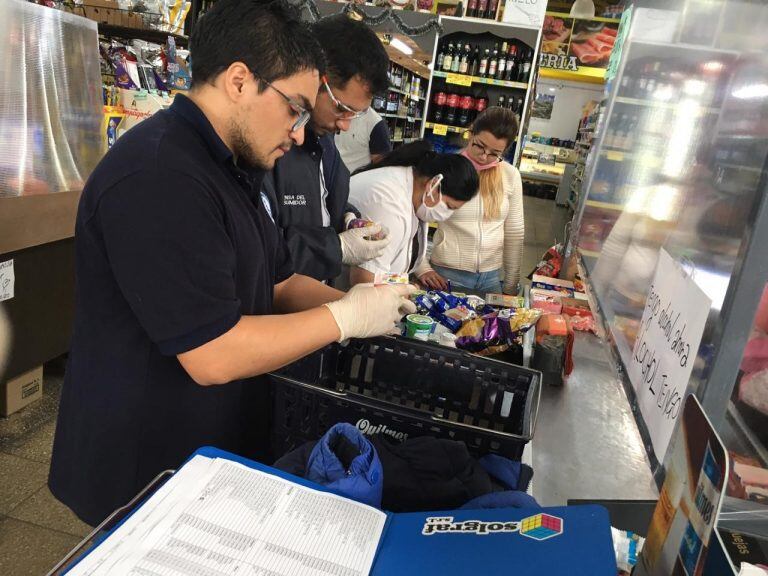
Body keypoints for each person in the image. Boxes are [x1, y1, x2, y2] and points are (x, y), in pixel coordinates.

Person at [49, 0, 415, 527]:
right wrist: (343, 322)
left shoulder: (235, 166)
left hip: (209, 449)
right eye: (293, 109)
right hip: (144, 466)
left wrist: (370, 307)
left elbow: (280, 278)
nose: (298, 134)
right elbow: (211, 352)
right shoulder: (160, 176)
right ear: (240, 81)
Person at [262, 14, 391, 283]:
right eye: (342, 109)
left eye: (355, 115)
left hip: (313, 294)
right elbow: (263, 251)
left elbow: (325, 200)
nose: (345, 125)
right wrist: (338, 248)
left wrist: (348, 218)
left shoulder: (324, 141)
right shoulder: (267, 145)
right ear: (315, 78)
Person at [417, 107, 524, 295]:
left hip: (491, 279)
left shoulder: (510, 175)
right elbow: (417, 218)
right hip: (446, 275)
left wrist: (511, 283)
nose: (484, 156)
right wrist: (421, 266)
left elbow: (514, 232)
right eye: (479, 146)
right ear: (471, 133)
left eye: (494, 153)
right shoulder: (446, 168)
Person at [348, 140, 479, 286]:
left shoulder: (412, 188)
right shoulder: (388, 203)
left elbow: (390, 266)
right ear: (433, 185)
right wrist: (399, 292)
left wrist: (405, 285)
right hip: (342, 295)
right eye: (449, 206)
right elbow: (366, 280)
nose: (447, 214)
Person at [334, 108, 392, 173]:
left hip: (354, 179)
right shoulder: (335, 111)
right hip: (328, 176)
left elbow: (381, 166)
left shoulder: (376, 123)